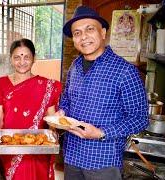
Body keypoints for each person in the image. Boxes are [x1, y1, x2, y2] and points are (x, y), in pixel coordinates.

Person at [60, 6, 148, 180]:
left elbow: (140, 118)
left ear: (103, 32)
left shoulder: (125, 71)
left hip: (103, 162)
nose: (83, 37)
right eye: (77, 33)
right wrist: (61, 112)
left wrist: (101, 133)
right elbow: (66, 101)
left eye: (89, 29)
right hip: (72, 156)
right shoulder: (74, 67)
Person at [0, 38, 61, 180]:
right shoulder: (1, 83)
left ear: (34, 58)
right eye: (17, 57)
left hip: (38, 147)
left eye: (26, 57)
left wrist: (53, 132)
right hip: (10, 145)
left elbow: (52, 117)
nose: (21, 62)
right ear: (11, 59)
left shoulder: (46, 85)